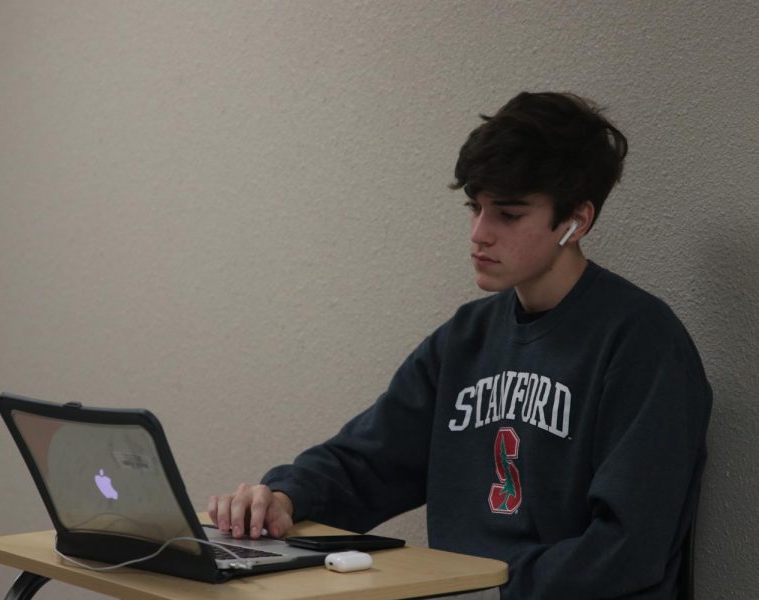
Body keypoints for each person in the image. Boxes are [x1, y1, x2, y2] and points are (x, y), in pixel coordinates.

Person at [208, 91, 712, 599]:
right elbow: (368, 461)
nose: (478, 234)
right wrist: (283, 496)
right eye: (475, 207)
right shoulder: (467, 338)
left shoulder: (643, 342)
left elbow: (630, 549)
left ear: (576, 221)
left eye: (508, 214)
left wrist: (486, 591)